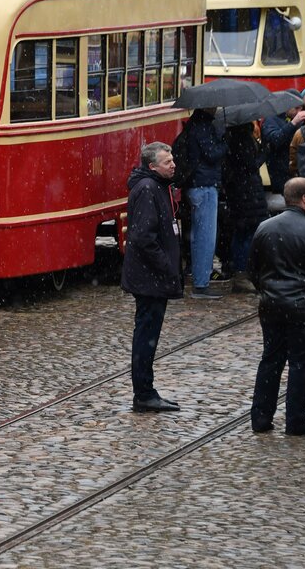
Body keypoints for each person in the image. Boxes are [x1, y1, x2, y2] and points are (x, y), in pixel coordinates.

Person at [249, 177, 305, 435]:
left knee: (271, 360)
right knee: (301, 364)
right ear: (304, 199)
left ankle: (261, 417)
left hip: (272, 306)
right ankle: (296, 420)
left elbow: (253, 269)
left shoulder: (265, 227)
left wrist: (268, 291)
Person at [121, 142, 183, 413]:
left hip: (151, 276)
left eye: (172, 160)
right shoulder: (148, 189)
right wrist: (167, 265)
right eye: (167, 162)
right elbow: (143, 237)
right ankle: (144, 393)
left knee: (148, 335)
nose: (173, 165)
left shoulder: (156, 186)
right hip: (150, 278)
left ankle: (146, 391)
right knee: (146, 336)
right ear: (152, 166)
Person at [183, 107, 227, 299]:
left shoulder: (194, 126)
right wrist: (225, 143)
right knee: (205, 237)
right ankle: (201, 284)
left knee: (199, 236)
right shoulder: (203, 128)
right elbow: (212, 154)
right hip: (204, 185)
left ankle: (199, 277)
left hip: (197, 184)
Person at [222, 121, 269, 293]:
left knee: (241, 232)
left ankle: (239, 270)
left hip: (240, 192)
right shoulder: (242, 140)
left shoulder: (231, 137)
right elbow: (250, 165)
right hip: (248, 192)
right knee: (248, 233)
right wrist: (264, 153)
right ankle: (243, 272)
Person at [262, 90, 305, 212]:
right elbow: (275, 140)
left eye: (301, 108)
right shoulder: (271, 120)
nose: (299, 112)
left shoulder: (298, 120)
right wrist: (293, 123)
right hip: (278, 173)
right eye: (296, 108)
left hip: (293, 170)